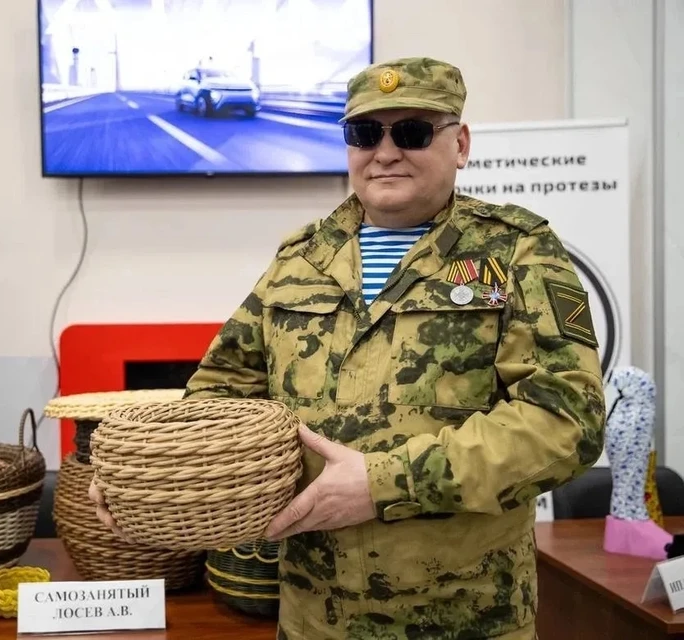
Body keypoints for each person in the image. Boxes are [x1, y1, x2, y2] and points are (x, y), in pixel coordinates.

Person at [91, 56, 605, 639]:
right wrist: (152, 481)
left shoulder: (517, 252)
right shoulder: (301, 259)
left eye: (411, 132)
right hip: (315, 617)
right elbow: (221, 395)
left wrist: (386, 483)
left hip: (465, 617)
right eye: (364, 133)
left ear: (460, 144)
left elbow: (568, 422)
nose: (384, 152)